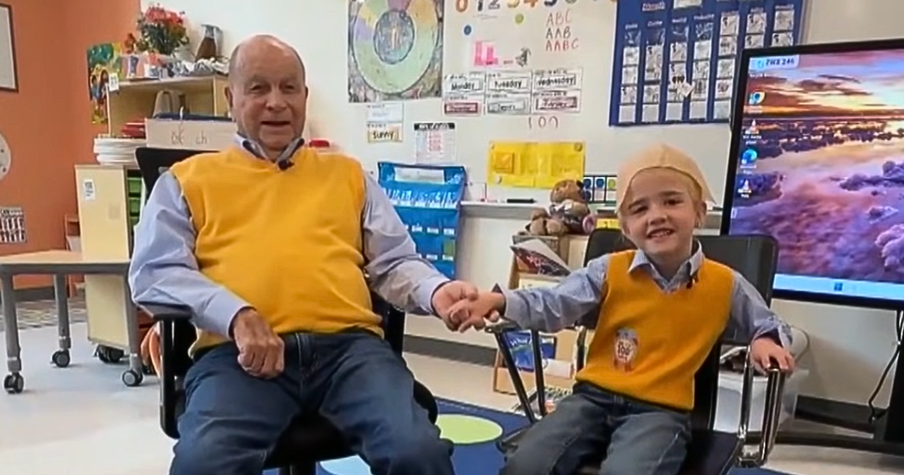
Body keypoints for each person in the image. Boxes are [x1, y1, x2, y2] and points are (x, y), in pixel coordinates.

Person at [128, 35, 475, 475]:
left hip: (350, 353)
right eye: (258, 89)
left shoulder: (349, 175)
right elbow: (152, 275)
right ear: (231, 98)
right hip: (241, 358)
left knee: (417, 453)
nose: (277, 103)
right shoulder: (186, 182)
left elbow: (394, 263)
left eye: (289, 88)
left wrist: (437, 291)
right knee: (204, 465)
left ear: (305, 97)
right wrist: (236, 315)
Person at [449, 143, 796, 475]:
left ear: (700, 212)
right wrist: (500, 300)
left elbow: (769, 323)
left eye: (672, 201)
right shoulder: (608, 270)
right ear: (627, 228)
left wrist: (764, 338)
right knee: (525, 465)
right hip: (591, 399)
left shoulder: (725, 283)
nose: (657, 216)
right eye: (639, 209)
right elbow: (555, 303)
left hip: (661, 412)